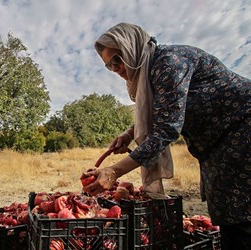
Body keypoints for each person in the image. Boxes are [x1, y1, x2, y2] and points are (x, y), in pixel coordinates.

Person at [82, 23, 251, 249]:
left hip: (242, 131)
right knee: (227, 212)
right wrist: (129, 134)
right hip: (217, 146)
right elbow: (162, 109)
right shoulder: (149, 73)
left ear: (133, 46)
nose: (116, 68)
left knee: (240, 216)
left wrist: (113, 171)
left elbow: (166, 129)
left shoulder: (168, 62)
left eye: (118, 58)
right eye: (109, 65)